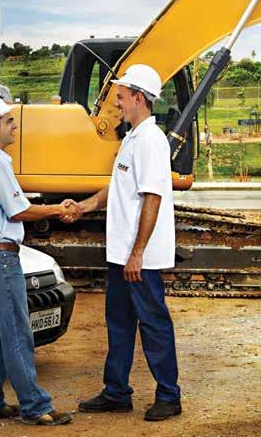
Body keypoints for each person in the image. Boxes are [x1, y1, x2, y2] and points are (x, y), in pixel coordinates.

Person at [70, 64, 182, 421]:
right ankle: (116, 391)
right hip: (122, 256)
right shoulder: (132, 138)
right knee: (118, 323)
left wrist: (137, 253)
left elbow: (152, 198)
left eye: (120, 96)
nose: (116, 102)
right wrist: (85, 205)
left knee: (153, 323)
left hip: (140, 260)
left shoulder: (150, 140)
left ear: (138, 98)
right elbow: (119, 188)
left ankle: (169, 395)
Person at [0, 94, 78, 426]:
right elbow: (19, 211)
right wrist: (58, 209)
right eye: (8, 121)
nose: (14, 126)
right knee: (16, 332)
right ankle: (34, 405)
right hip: (1, 259)